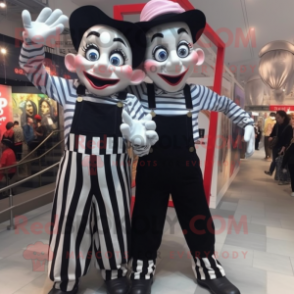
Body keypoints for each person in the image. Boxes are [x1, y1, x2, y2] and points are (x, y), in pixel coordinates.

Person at [20, 6, 158, 294]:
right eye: (93, 54)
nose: (103, 66)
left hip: (115, 175)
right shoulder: (69, 91)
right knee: (69, 223)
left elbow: (145, 141)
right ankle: (65, 279)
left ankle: (115, 272)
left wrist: (140, 141)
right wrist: (33, 44)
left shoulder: (130, 104)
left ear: (132, 73)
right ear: (75, 60)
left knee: (115, 222)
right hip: (73, 175)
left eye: (116, 58)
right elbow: (33, 72)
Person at [128, 1, 255, 294]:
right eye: (161, 52)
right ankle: (141, 266)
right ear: (144, 58)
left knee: (198, 216)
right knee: (146, 217)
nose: (173, 62)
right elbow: (110, 97)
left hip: (186, 168)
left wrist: (248, 124)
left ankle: (207, 267)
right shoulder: (137, 92)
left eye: (181, 50)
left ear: (193, 55)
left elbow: (226, 105)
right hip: (149, 167)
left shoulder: (196, 94)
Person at [265, 110, 292, 176]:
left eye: (278, 117)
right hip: (276, 145)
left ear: (283, 117)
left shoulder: (288, 127)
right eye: (276, 118)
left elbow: (289, 138)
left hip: (283, 147)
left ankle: (280, 176)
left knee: (282, 161)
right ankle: (272, 172)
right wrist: (271, 137)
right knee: (275, 160)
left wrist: (284, 146)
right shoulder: (276, 125)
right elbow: (272, 133)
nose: (277, 119)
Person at [282, 115, 294, 196]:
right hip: (291, 162)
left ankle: (293, 190)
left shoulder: (292, 144)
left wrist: (283, 165)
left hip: (291, 162)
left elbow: (287, 154)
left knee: (293, 176)